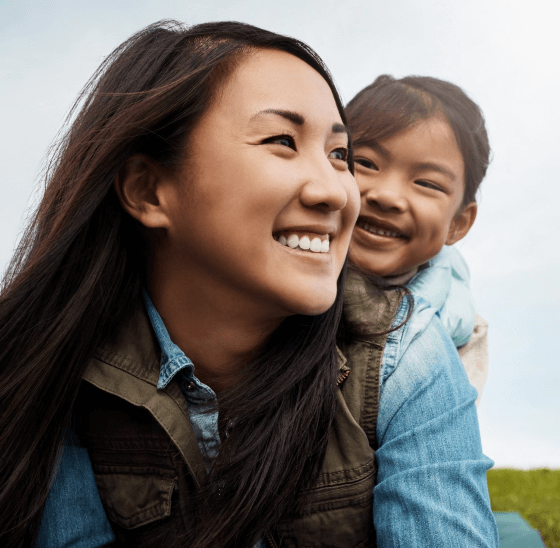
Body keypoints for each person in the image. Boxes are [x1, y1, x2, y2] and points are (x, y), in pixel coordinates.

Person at [0, 22, 498, 548]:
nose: (338, 191)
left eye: (337, 155)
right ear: (149, 189)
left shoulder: (405, 350)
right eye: (282, 141)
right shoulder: (53, 365)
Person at [345, 75, 491, 404]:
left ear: (458, 223)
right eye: (365, 163)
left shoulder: (454, 333)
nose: (387, 196)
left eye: (427, 183)